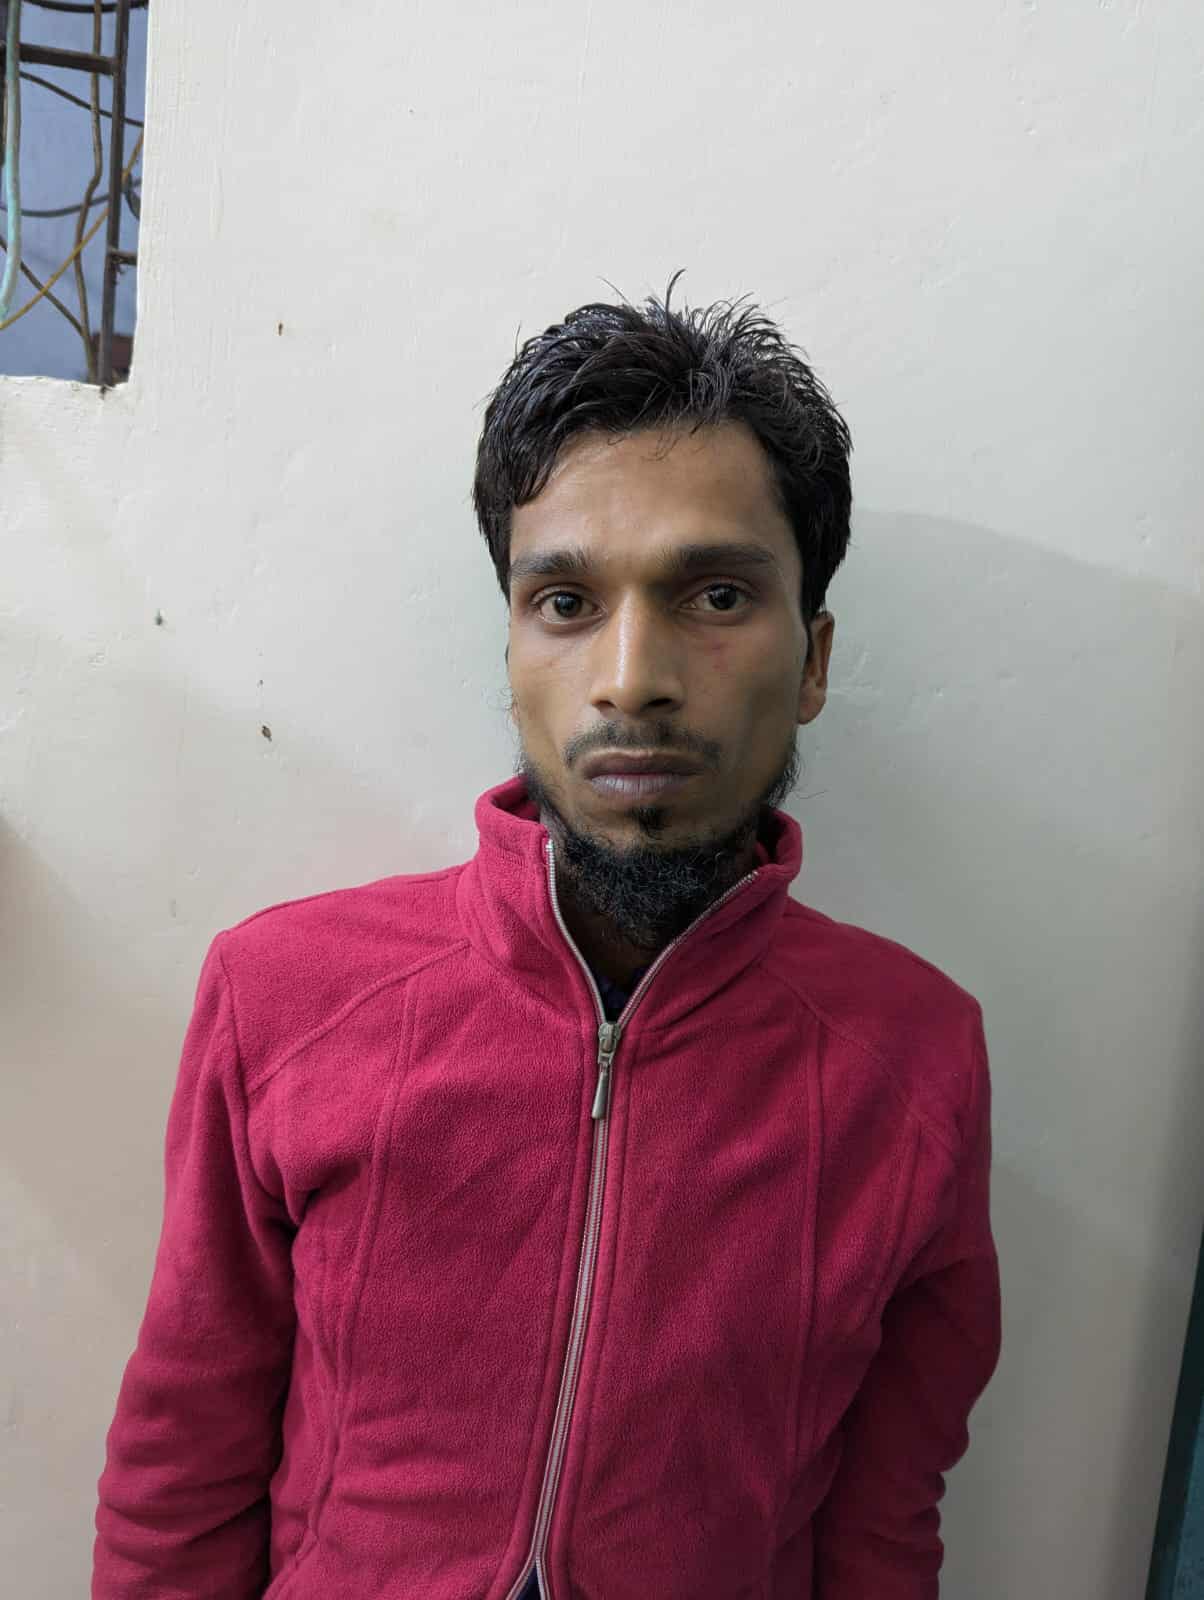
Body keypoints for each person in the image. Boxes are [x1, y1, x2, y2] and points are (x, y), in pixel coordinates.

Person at [92, 273, 1001, 1599]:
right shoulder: (283, 995)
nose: (631, 678)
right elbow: (184, 1458)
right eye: (566, 602)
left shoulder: (914, 1059)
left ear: (812, 661)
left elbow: (882, 1525)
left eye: (717, 596)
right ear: (512, 646)